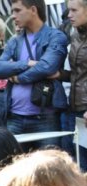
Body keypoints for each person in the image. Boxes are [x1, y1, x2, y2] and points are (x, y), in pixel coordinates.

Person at [0, 0, 68, 149]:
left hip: (46, 119)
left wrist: (18, 78)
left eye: (17, 10)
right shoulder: (15, 41)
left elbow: (46, 67)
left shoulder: (56, 36)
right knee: (16, 170)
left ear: (33, 10)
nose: (13, 16)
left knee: (49, 170)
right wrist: (26, 63)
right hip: (14, 118)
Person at [55, 0, 87, 167]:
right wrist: (58, 74)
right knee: (74, 165)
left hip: (84, 112)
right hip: (72, 110)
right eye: (69, 10)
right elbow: (78, 74)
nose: (69, 15)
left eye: (74, 10)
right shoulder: (74, 36)